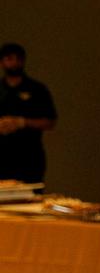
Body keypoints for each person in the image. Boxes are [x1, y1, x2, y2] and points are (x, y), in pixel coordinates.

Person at [0, 41, 58, 184]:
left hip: (29, 157)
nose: (14, 63)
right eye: (9, 59)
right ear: (2, 62)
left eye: (17, 59)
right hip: (1, 156)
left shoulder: (37, 89)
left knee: (32, 196)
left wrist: (22, 122)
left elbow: (50, 121)